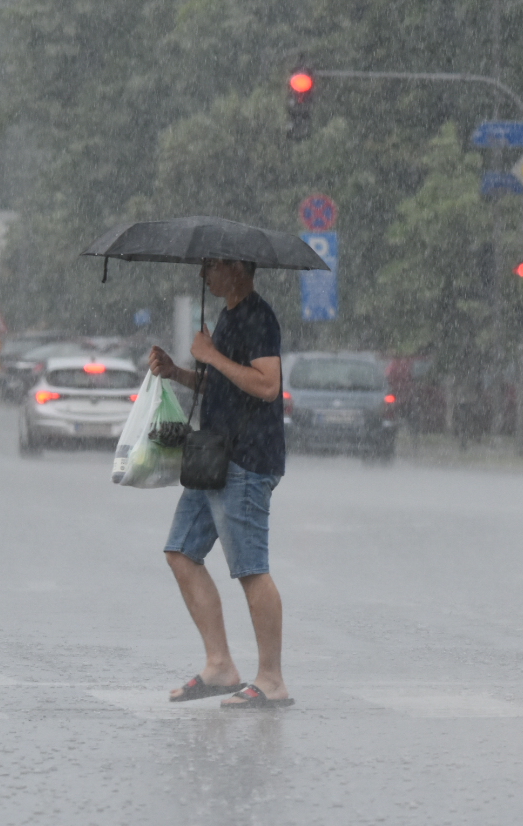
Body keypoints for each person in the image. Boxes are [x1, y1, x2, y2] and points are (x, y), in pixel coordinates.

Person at [148, 258, 292, 709]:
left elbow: (268, 386)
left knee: (251, 568)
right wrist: (179, 372)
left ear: (239, 269)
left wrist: (211, 356)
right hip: (213, 457)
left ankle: (271, 679)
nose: (205, 274)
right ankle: (220, 666)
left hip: (249, 459)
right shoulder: (228, 315)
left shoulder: (259, 317)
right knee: (181, 552)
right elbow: (222, 386)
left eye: (213, 266)